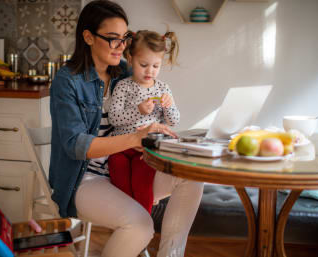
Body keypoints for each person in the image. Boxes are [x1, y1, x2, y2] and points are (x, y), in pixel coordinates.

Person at [49, 1, 204, 257]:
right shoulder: (68, 81)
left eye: (125, 38)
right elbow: (76, 146)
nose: (122, 46)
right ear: (88, 37)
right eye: (113, 39)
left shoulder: (125, 72)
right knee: (140, 225)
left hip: (129, 168)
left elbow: (153, 91)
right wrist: (135, 138)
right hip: (84, 179)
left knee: (191, 175)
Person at [108, 29, 180, 214]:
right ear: (130, 59)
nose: (150, 71)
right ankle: (126, 222)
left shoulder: (163, 89)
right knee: (121, 187)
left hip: (146, 150)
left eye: (156, 66)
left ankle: (143, 226)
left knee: (142, 187)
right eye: (144, 64)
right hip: (121, 148)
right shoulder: (123, 86)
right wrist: (137, 110)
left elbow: (173, 121)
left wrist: (169, 106)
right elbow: (114, 118)